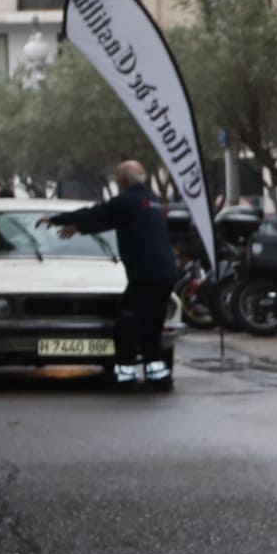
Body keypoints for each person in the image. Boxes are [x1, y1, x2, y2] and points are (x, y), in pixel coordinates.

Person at [44, 161, 177, 388]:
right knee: (152, 325)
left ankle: (125, 375)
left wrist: (58, 219)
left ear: (123, 180)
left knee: (126, 324)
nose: (116, 180)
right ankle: (159, 376)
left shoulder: (127, 200)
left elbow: (97, 212)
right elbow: (111, 220)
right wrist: (80, 228)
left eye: (117, 177)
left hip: (144, 275)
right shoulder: (150, 201)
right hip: (166, 273)